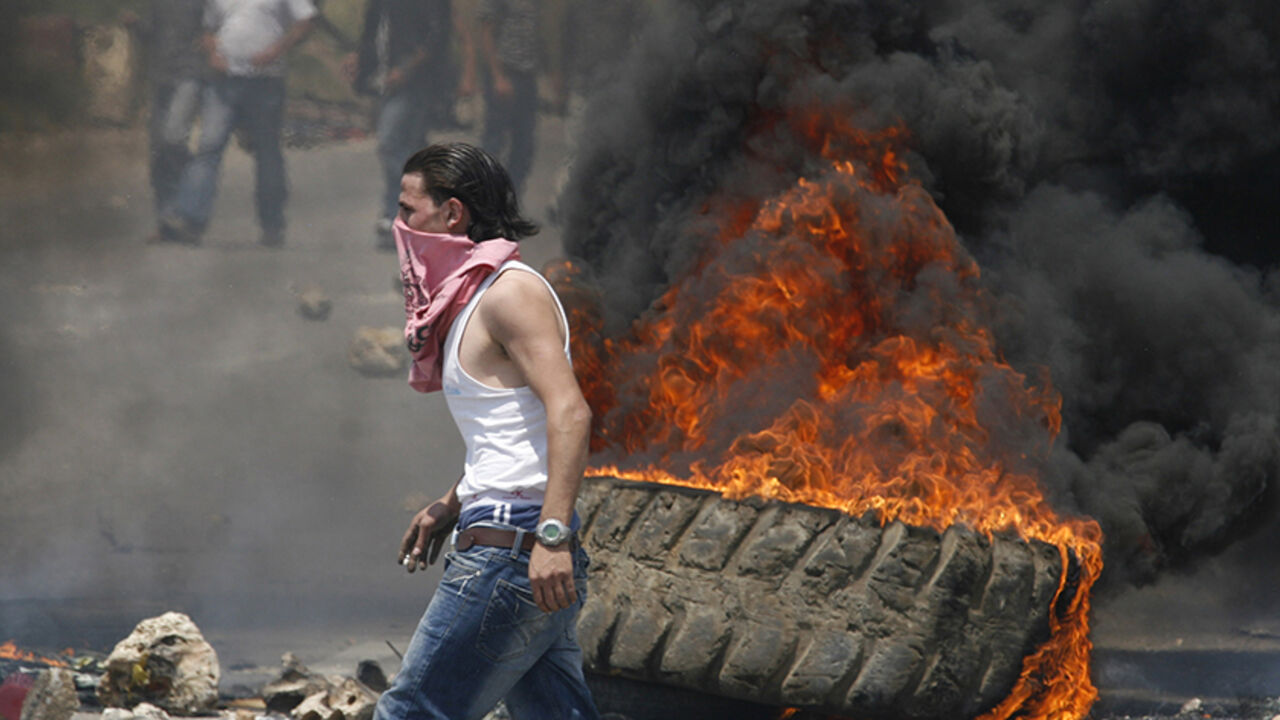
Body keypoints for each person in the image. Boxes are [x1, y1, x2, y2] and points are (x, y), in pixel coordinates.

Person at [374, 142, 599, 720]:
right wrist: (449, 504)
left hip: (513, 551)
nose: (398, 225)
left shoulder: (509, 293)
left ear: (453, 215)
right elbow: (513, 432)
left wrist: (551, 539)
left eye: (408, 209)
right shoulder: (473, 297)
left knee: (410, 713)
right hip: (511, 539)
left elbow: (570, 412)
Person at [158, 0, 316, 247]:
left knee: (267, 151)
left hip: (266, 80)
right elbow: (208, 27)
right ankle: (190, 220)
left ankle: (272, 225)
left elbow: (305, 21)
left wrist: (276, 50)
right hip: (224, 79)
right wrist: (212, 51)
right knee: (209, 146)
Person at [346, 0, 451, 251]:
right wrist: (359, 59)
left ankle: (424, 205)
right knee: (408, 148)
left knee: (390, 144)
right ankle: (402, 215)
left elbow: (435, 37)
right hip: (385, 81)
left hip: (414, 82)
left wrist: (406, 69)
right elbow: (373, 32)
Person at [129, 0, 206, 228]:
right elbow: (149, 31)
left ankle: (198, 182)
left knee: (173, 137)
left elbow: (216, 29)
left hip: (188, 74)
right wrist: (134, 24)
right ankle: (166, 216)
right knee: (159, 147)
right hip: (161, 78)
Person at [477, 0, 539, 195]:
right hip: (505, 72)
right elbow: (486, 33)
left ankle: (510, 203)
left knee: (524, 144)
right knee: (494, 142)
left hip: (527, 74)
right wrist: (498, 76)